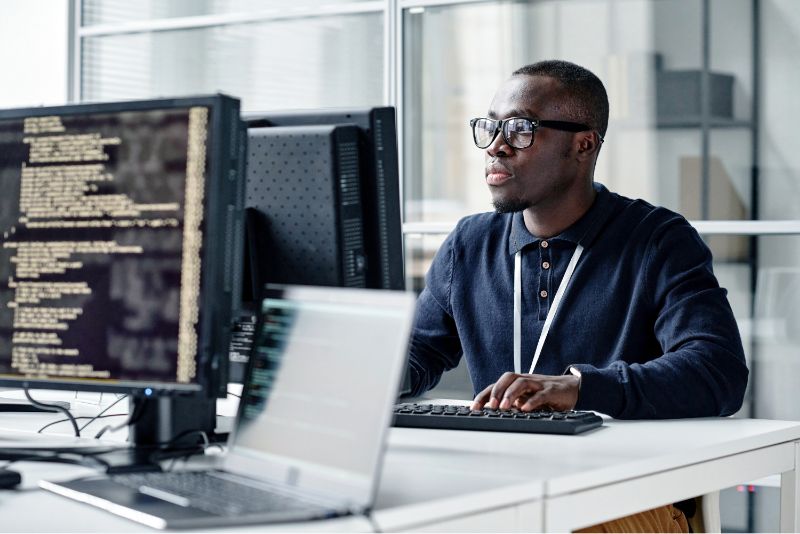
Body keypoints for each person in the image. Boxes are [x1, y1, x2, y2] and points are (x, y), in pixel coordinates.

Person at [406, 58, 749, 532]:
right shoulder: (469, 244)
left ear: (583, 145)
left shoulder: (657, 239)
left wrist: (579, 388)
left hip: (626, 496)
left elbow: (718, 371)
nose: (496, 146)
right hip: (502, 489)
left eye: (521, 129)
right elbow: (417, 354)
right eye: (489, 127)